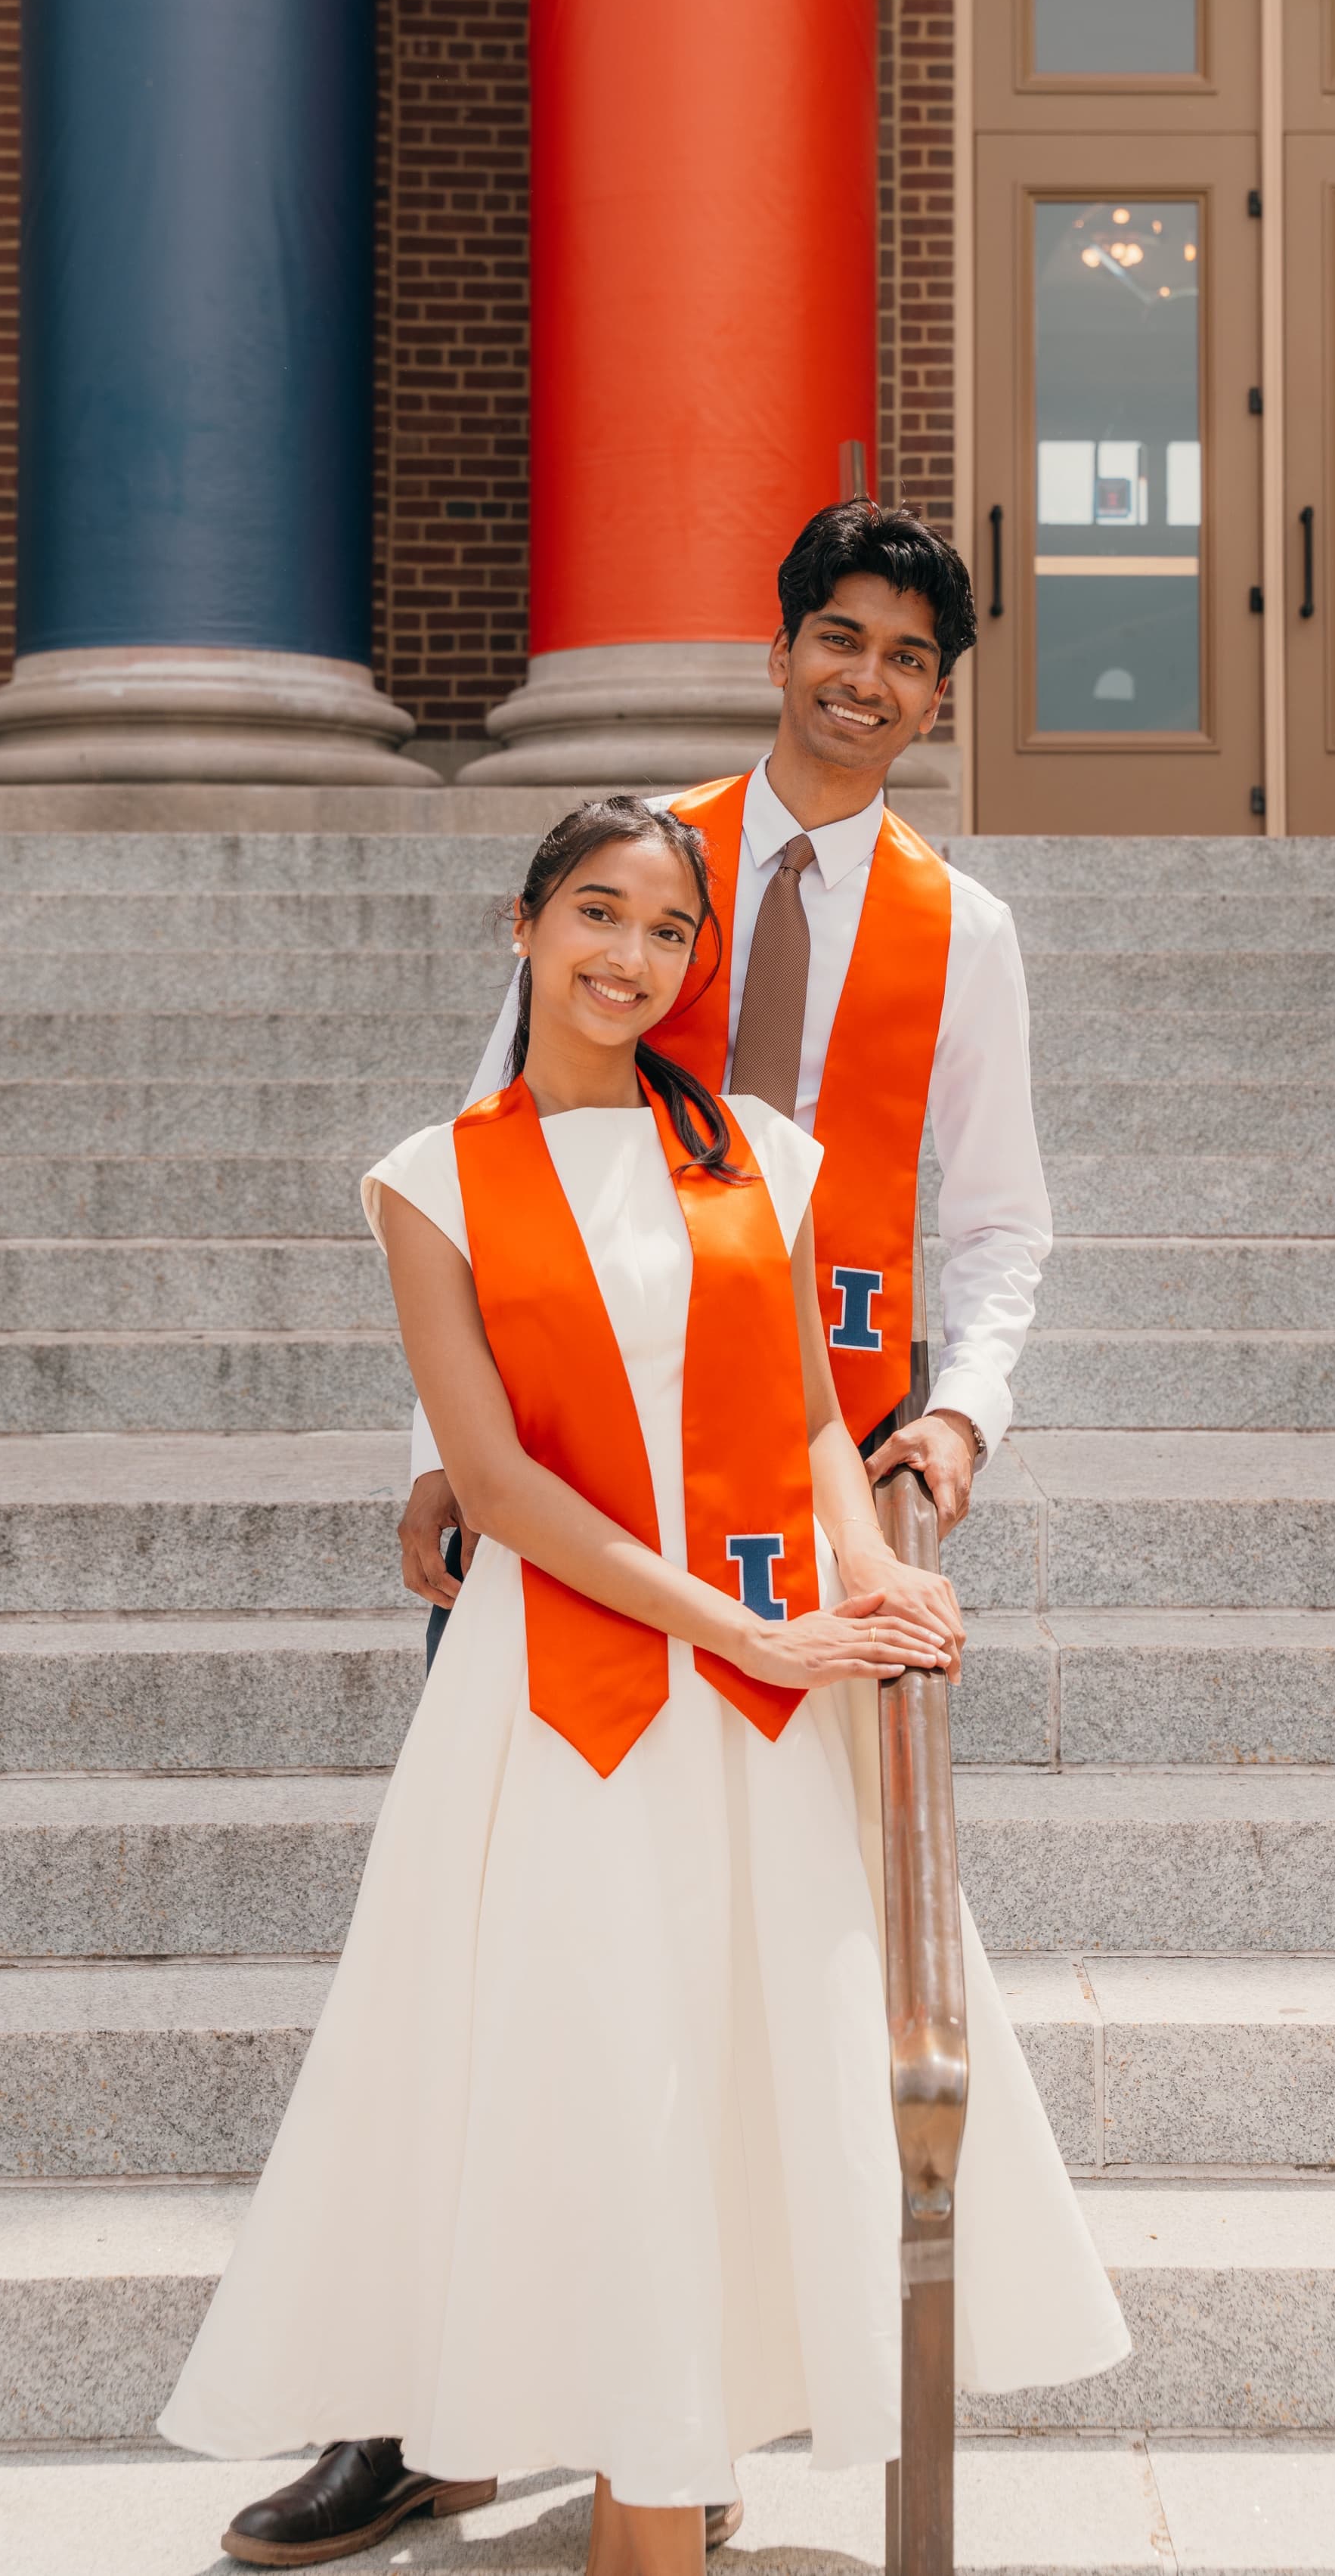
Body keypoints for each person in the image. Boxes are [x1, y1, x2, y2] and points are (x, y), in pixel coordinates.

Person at [163, 799, 1126, 2574]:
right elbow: (505, 1487)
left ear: (697, 964)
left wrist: (877, 1571)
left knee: (740, 2080)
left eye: (668, 932)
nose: (630, 956)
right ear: (519, 929)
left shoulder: (761, 1148)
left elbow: (819, 1417)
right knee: (599, 2084)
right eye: (594, 916)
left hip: (769, 1704)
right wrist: (736, 1628)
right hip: (567, 1699)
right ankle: (625, 2502)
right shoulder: (433, 1180)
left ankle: (666, 2489)